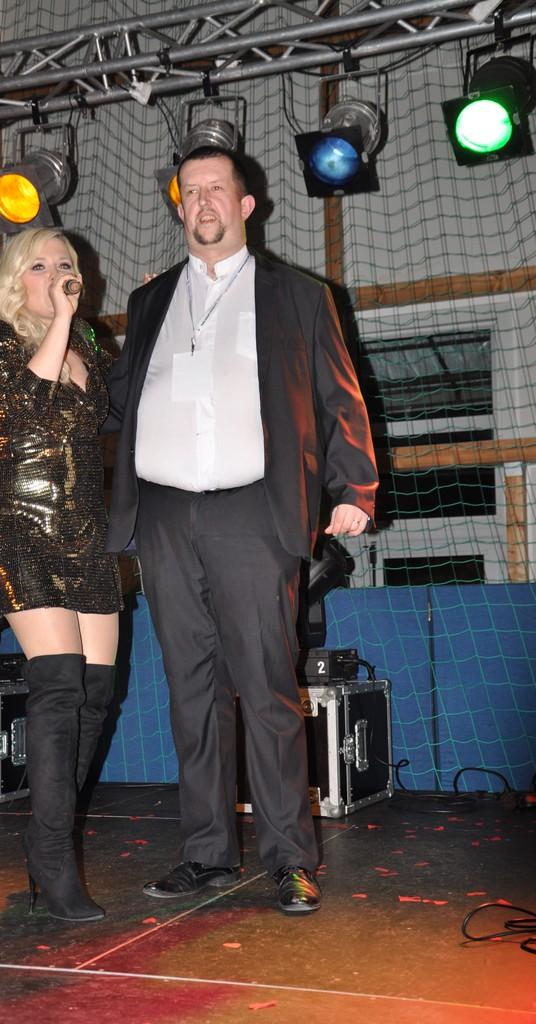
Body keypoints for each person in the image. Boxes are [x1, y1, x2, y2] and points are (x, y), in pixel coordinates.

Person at [104, 147, 378, 915]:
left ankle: (290, 857)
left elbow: (339, 393)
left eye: (216, 189)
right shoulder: (150, 298)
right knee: (190, 693)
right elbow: (119, 399)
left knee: (264, 688)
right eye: (189, 192)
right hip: (164, 514)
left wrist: (354, 485)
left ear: (246, 203)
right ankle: (205, 854)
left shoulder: (298, 295)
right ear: (179, 207)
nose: (202, 202)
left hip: (252, 511)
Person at [0, 227, 122, 922]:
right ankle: (55, 864)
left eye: (67, 263)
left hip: (86, 527)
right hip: (20, 523)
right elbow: (23, 407)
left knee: (97, 695)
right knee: (59, 686)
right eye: (40, 265)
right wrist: (60, 319)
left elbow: (116, 418)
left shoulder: (88, 342)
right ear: (13, 278)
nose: (58, 272)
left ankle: (42, 845)